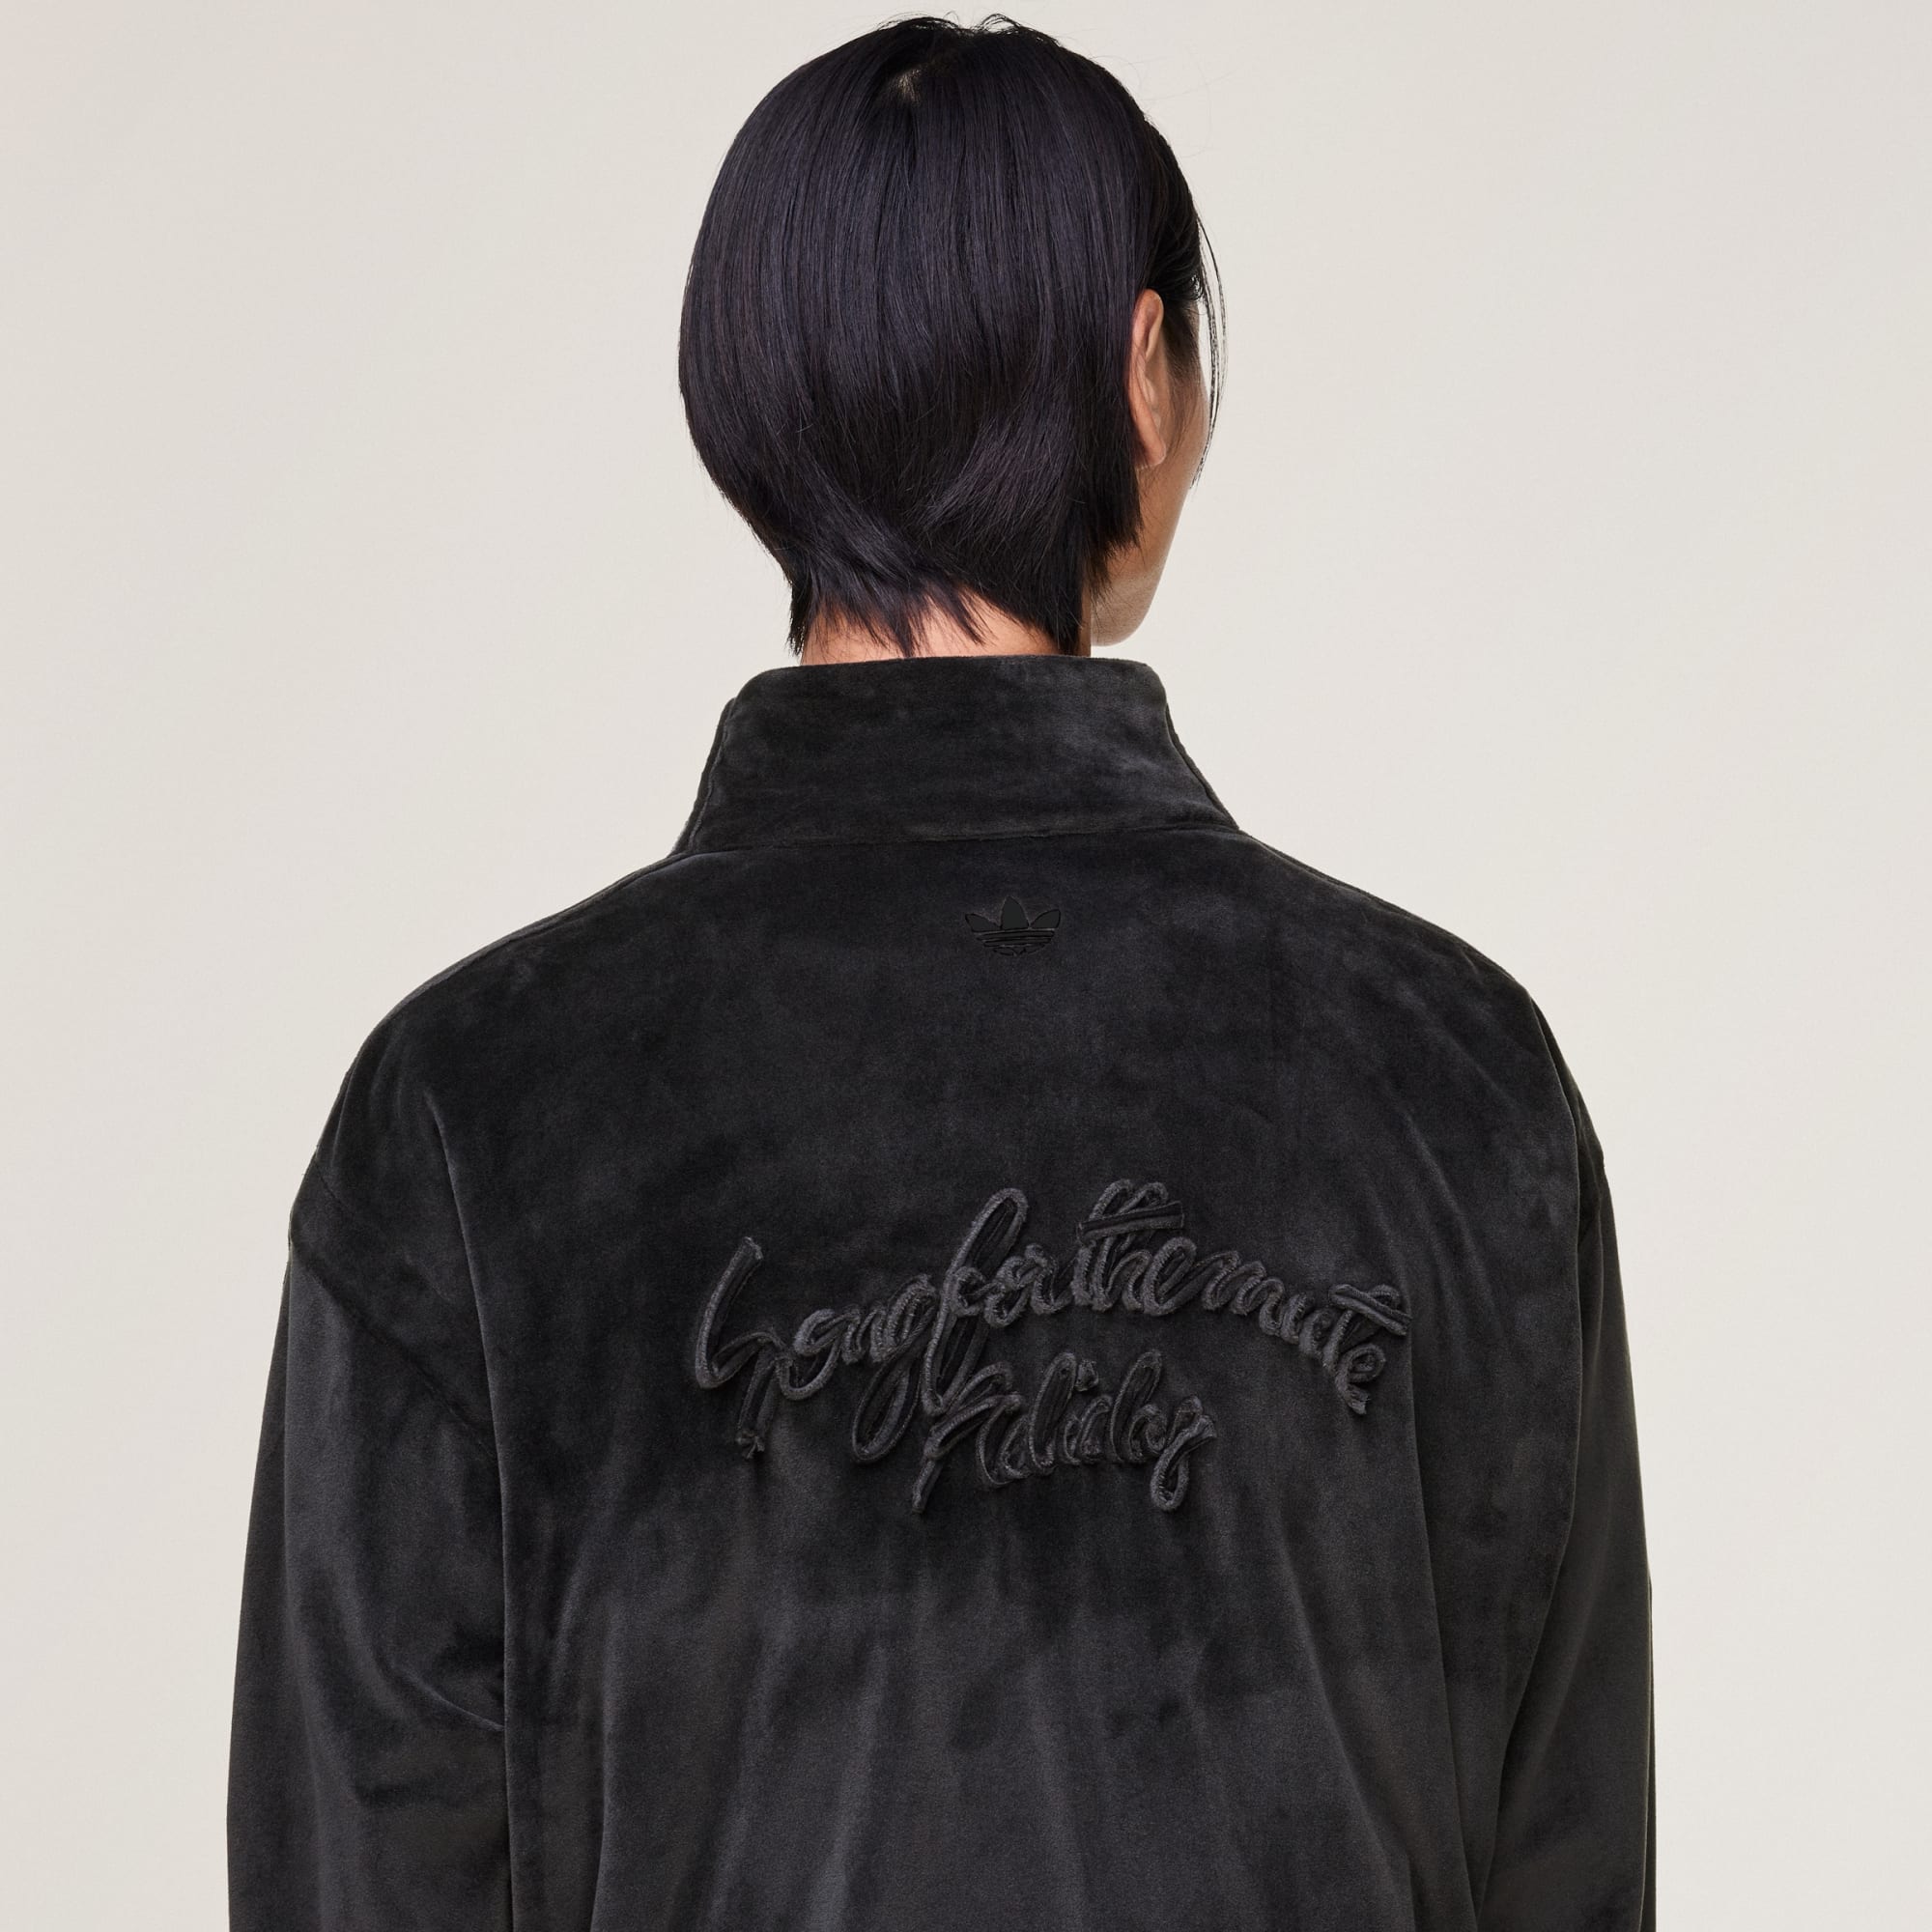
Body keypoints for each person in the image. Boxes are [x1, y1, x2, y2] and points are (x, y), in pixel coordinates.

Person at [227, 16, 1653, 1930]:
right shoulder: (1459, 1078)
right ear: (1144, 380)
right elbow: (1566, 1869)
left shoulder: (466, 1112)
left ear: (744, 403)